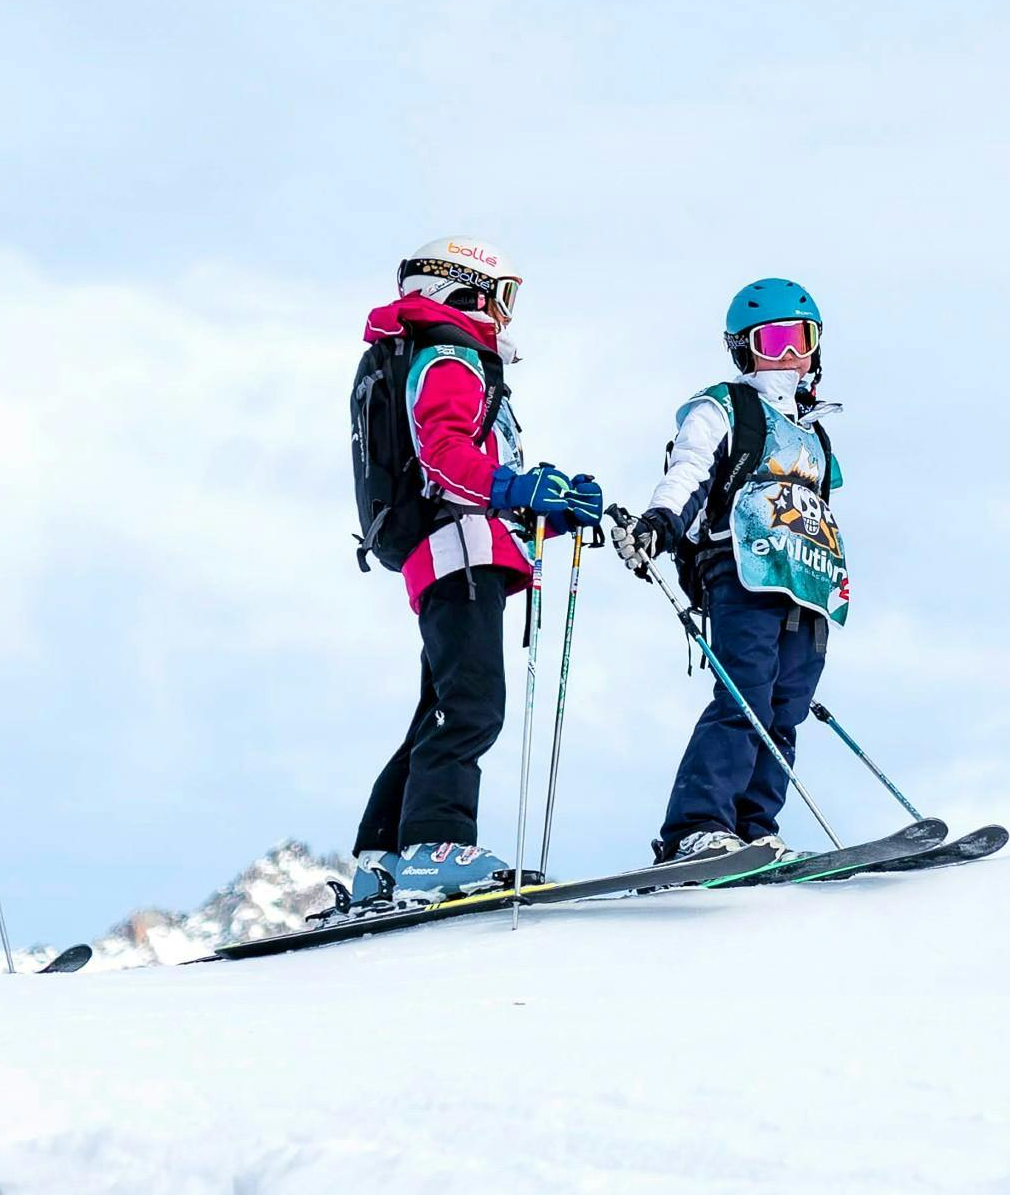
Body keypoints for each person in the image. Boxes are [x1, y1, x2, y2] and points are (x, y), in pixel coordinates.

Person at [345, 237, 602, 910]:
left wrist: (548, 506)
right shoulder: (453, 355)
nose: (505, 316)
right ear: (461, 290)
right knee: (473, 701)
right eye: (501, 296)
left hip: (445, 547)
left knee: (442, 702)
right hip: (460, 548)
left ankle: (384, 854)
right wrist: (520, 488)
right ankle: (436, 842)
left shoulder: (430, 354)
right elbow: (447, 457)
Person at [626, 278, 848, 862]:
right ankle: (696, 828)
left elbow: (821, 511)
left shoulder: (815, 433)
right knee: (745, 696)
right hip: (741, 570)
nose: (787, 355)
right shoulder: (724, 407)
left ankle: (753, 828)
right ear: (744, 349)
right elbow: (691, 470)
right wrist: (660, 522)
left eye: (799, 338)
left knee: (786, 705)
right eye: (770, 342)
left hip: (803, 582)